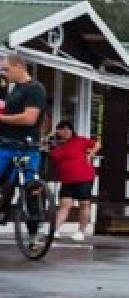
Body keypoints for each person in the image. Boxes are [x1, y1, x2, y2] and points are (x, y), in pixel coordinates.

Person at [0, 52, 48, 229]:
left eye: (6, 69)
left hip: (27, 146)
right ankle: (3, 210)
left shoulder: (34, 88)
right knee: (6, 182)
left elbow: (29, 118)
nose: (4, 74)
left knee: (31, 187)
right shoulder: (14, 90)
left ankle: (34, 231)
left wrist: (1, 118)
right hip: (6, 143)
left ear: (19, 66)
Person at [47, 121, 100, 242]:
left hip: (84, 176)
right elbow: (46, 148)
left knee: (84, 204)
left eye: (68, 129)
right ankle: (53, 230)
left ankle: (81, 231)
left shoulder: (79, 140)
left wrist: (90, 154)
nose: (66, 131)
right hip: (67, 179)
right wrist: (51, 135)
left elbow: (97, 144)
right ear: (58, 131)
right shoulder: (55, 146)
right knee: (64, 205)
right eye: (62, 129)